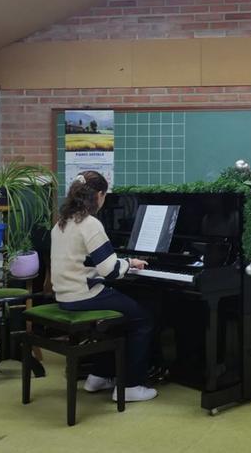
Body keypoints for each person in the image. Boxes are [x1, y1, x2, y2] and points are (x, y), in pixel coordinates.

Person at [51, 170, 157, 402]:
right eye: (105, 196)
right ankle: (130, 386)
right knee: (142, 318)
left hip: (65, 295)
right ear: (99, 195)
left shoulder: (62, 222)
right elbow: (109, 270)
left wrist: (119, 263)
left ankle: (99, 375)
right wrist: (130, 263)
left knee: (119, 316)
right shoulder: (90, 224)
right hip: (83, 294)